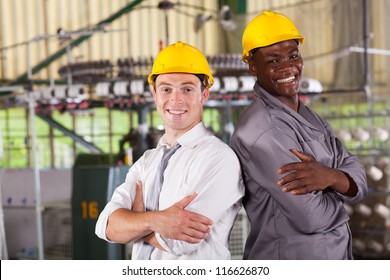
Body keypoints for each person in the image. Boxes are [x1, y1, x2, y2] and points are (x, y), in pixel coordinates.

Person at [231, 10, 368, 259]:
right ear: (253, 66)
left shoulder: (308, 116)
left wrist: (331, 176)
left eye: (293, 55)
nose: (287, 67)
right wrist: (341, 191)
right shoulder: (264, 131)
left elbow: (358, 177)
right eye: (273, 60)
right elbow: (311, 217)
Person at [96, 41, 244, 260]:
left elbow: (180, 241)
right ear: (155, 94)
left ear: (204, 95)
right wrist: (154, 220)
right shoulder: (147, 161)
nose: (176, 99)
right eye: (166, 89)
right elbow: (106, 227)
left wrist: (134, 221)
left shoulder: (219, 159)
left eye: (187, 89)